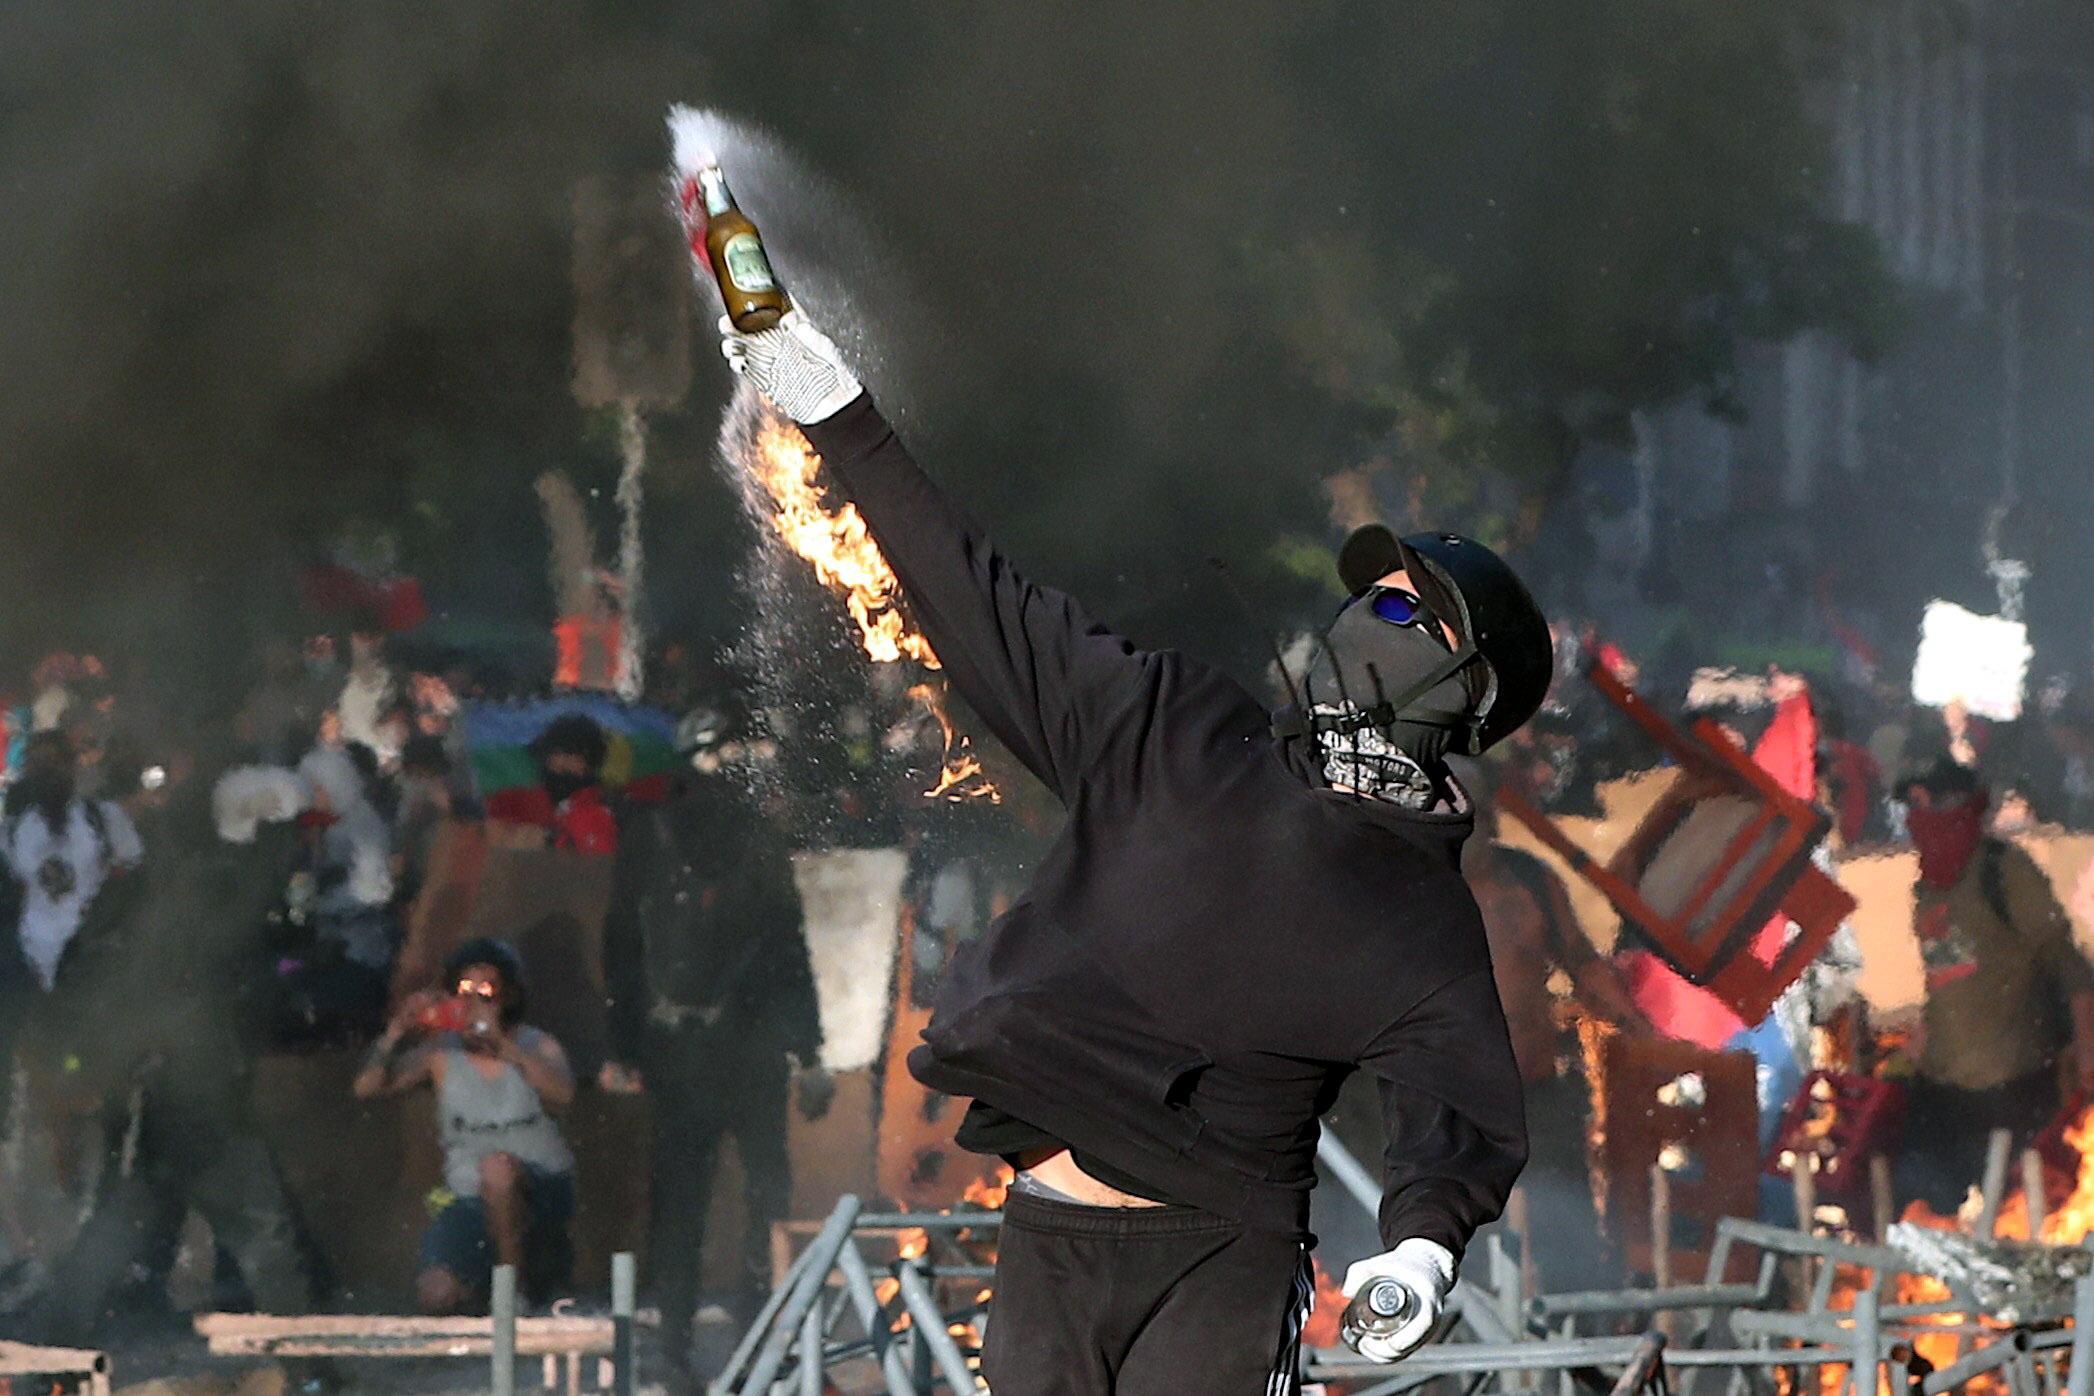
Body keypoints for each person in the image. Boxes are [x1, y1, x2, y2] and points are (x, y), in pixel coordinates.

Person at [720, 309, 1549, 1392]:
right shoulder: (1181, 730)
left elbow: (1457, 1107)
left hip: (1223, 1259)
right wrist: (835, 409)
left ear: (1468, 689)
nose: (1369, 612)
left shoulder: (1422, 915)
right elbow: (985, 603)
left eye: (1407, 608)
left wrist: (1422, 1250)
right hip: (1047, 1234)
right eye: (1373, 593)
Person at [601, 709, 829, 1375]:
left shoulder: (747, 838)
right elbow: (622, 944)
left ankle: (751, 1340)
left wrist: (809, 1049)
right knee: (695, 1202)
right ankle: (683, 1349)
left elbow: (787, 950)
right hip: (694, 1048)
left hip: (735, 1046)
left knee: (750, 1196)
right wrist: (621, 1046)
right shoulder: (659, 835)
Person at [1893, 757, 2094, 1211]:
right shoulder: (1927, 885)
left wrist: (2087, 1049)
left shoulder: (2005, 873)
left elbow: (2071, 967)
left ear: (1964, 804)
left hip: (2011, 1097)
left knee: (2008, 1222)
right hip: (1941, 1092)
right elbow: (1943, 977)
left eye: (1929, 800)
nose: (1918, 815)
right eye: (1913, 805)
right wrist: (1920, 1039)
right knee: (1925, 1218)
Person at [353, 938, 577, 1311]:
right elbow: (366, 1088)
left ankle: (513, 1294)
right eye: (465, 991)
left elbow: (563, 1092)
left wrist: (503, 1047)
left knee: (498, 1170)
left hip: (536, 1188)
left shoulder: (534, 1043)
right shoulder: (442, 1053)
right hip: (469, 1198)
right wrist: (395, 1032)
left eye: (486, 991)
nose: (474, 1001)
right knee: (435, 1295)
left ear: (507, 996)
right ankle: (484, 1297)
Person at [484, 714, 618, 855]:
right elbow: (483, 823)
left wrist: (550, 841)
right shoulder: (522, 799)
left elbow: (595, 865)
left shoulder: (595, 814)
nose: (565, 762)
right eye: (559, 753)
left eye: (576, 756)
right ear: (545, 756)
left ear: (590, 764)